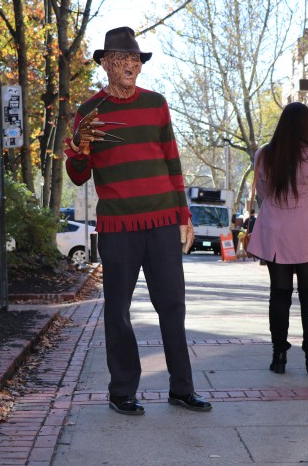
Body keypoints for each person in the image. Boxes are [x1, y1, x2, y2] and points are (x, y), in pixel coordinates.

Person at [64, 26, 211, 415]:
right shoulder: (88, 112)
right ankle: (122, 391)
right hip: (118, 227)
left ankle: (182, 388)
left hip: (162, 222)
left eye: (135, 59)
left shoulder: (156, 104)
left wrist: (184, 215)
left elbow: (172, 161)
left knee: (172, 306)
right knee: (117, 310)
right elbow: (78, 175)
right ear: (106, 64)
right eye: (122, 59)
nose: (131, 65)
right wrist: (79, 149)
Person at [246, 103, 308, 377]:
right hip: (307, 231)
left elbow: (262, 191)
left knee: (279, 293)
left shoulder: (265, 154)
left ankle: (279, 355)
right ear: (307, 126)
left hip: (275, 231)